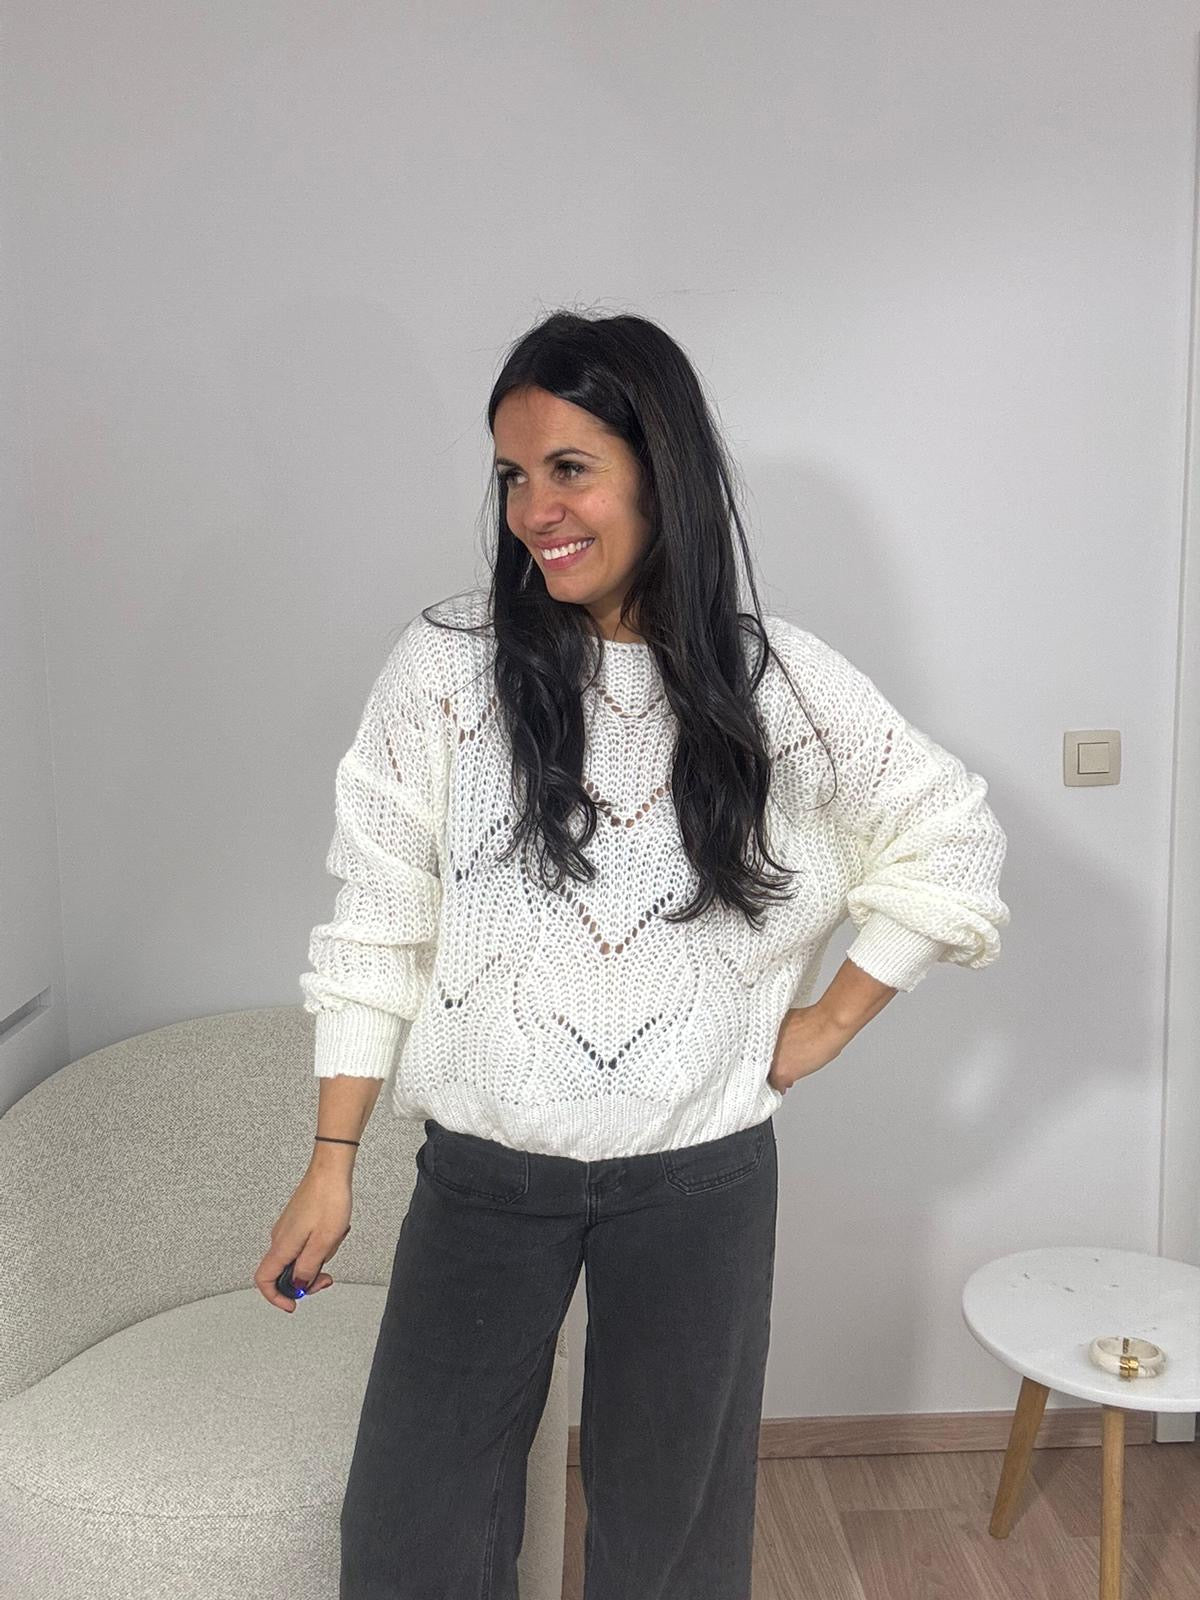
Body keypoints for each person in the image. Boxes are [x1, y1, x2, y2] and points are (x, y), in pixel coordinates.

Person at [254, 308, 1011, 1599]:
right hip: (485, 1174)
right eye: (512, 475)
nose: (533, 511)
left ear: (662, 472)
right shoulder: (445, 674)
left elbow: (952, 834)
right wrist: (332, 1161)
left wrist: (825, 1024)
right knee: (409, 1537)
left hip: (700, 1180)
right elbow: (376, 915)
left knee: (670, 1549)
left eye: (570, 468)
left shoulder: (776, 685)